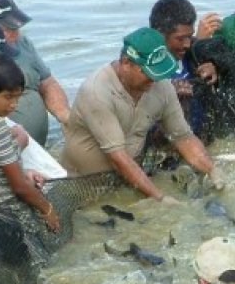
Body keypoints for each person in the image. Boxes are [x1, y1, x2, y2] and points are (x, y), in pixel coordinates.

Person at [59, 27, 222, 202]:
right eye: (148, 73)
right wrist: (160, 197)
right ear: (126, 63)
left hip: (128, 179)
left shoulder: (160, 85)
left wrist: (212, 170)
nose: (154, 80)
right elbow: (118, 158)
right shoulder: (97, 92)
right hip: (82, 185)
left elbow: (183, 137)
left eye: (158, 72)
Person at [0, 53, 60, 264]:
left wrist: (23, 167)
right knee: (38, 267)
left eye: (18, 97)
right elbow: (19, 187)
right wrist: (47, 209)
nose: (14, 105)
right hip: (12, 215)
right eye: (8, 97)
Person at [0, 0, 71, 146]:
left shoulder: (22, 42)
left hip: (37, 147)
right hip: (5, 147)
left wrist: (65, 117)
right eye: (7, 29)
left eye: (16, 26)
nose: (15, 33)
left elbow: (47, 82)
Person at [148, 0, 220, 137]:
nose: (187, 44)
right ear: (159, 35)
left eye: (190, 36)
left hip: (202, 136)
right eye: (180, 39)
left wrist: (214, 70)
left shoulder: (193, 55)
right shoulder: (147, 70)